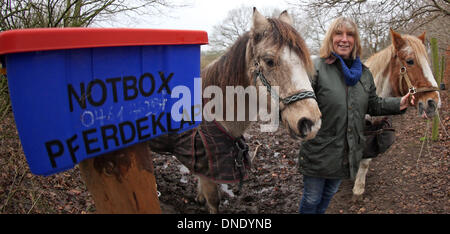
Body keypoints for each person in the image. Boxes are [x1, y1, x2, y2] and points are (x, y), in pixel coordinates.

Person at [297, 17, 414, 214]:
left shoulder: (364, 74)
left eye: (349, 34)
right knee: (312, 198)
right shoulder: (317, 68)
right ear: (330, 38)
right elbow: (299, 103)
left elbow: (373, 104)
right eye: (338, 33)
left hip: (347, 151)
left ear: (355, 40)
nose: (344, 39)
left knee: (328, 196)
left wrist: (399, 102)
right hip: (320, 151)